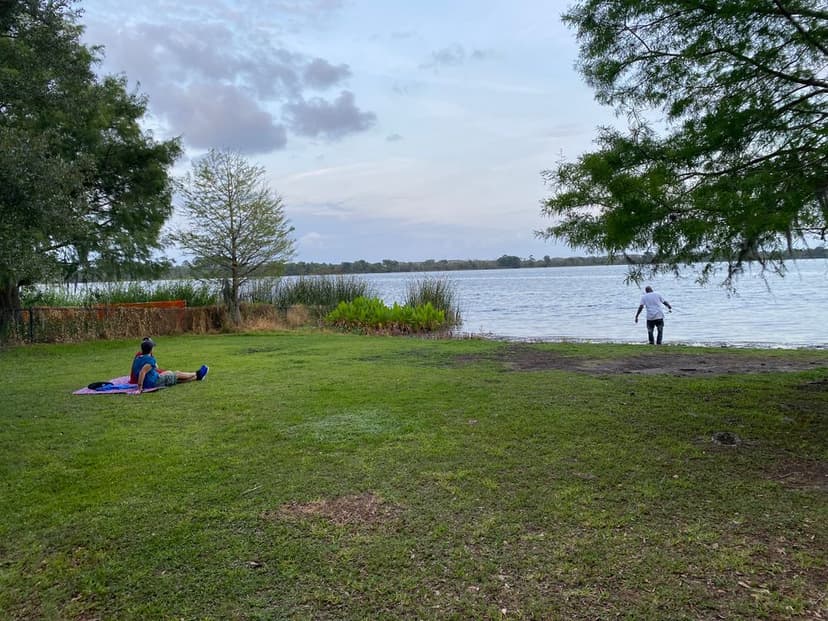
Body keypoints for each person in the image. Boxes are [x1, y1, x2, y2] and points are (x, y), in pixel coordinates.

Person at [131, 337, 208, 394]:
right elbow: (142, 372)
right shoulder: (150, 360)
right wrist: (140, 388)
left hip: (152, 379)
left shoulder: (138, 358)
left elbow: (153, 368)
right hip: (153, 382)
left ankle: (197, 377)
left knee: (172, 375)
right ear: (151, 350)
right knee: (177, 374)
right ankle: (197, 373)